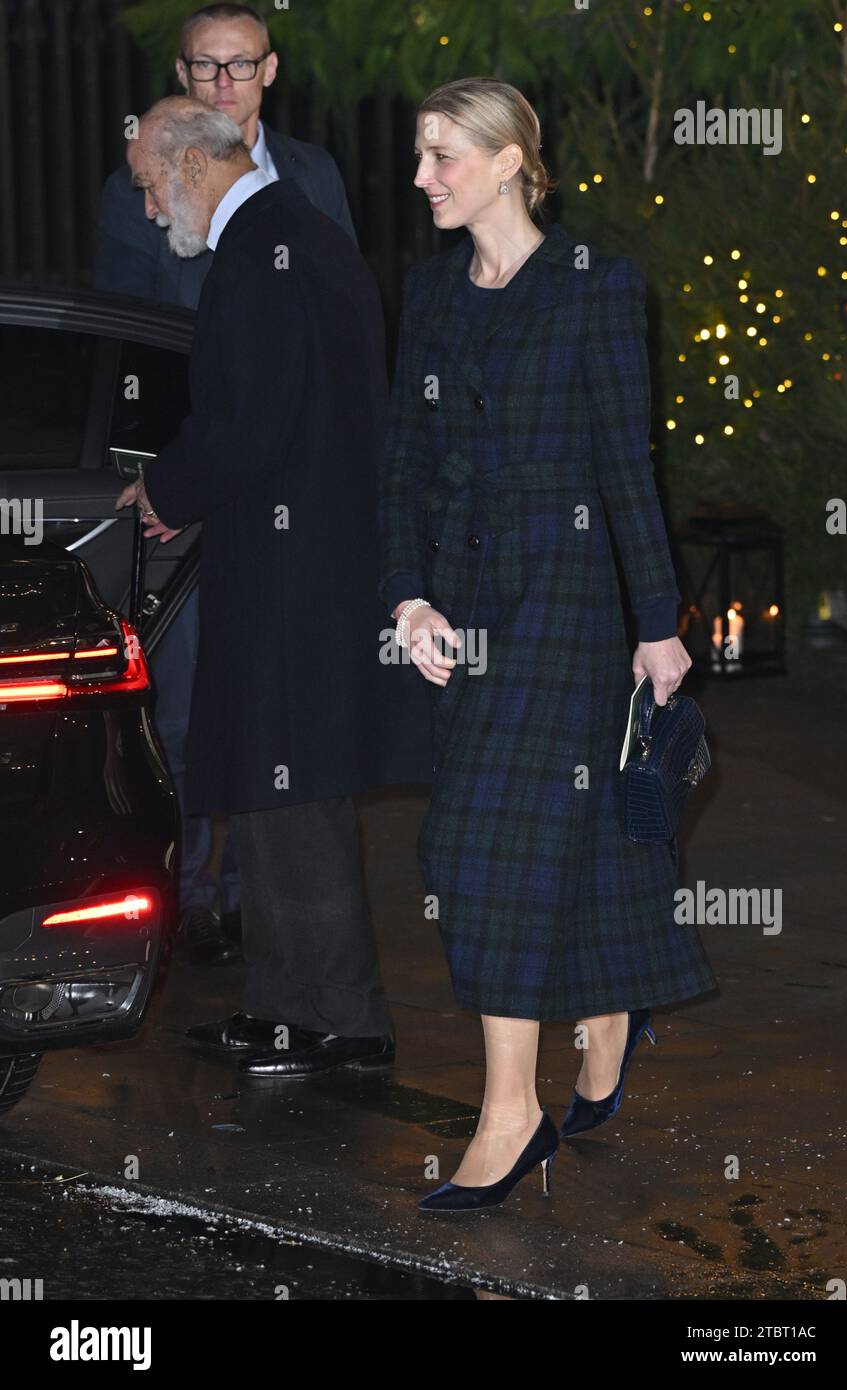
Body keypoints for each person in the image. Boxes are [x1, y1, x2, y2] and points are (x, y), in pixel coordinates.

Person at [379, 77, 717, 1211]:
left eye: (441, 157)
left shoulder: (594, 289)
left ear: (512, 159)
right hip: (464, 616)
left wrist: (653, 625)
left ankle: (509, 1113)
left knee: (482, 850)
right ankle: (609, 1004)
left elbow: (628, 467)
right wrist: (407, 599)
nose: (421, 177)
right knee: (536, 843)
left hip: (566, 607)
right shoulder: (428, 297)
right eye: (419, 157)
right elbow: (403, 471)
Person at [116, 96, 430, 1077]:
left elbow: (247, 426)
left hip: (295, 573)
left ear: (193, 166)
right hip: (298, 561)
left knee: (294, 795)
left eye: (147, 184)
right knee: (267, 783)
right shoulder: (299, 235)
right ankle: (286, 1007)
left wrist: (165, 487)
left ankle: (344, 1020)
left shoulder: (263, 251)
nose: (146, 206)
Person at [95, 3, 356, 966]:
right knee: (188, 689)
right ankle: (192, 894)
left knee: (272, 697)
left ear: (269, 72)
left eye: (238, 67)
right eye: (204, 69)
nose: (222, 85)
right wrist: (170, 477)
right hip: (191, 477)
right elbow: (125, 341)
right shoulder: (138, 185)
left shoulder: (313, 179)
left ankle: (263, 906)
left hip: (272, 483)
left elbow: (333, 330)